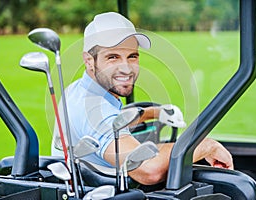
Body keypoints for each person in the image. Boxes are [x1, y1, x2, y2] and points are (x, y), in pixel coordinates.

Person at [51, 12, 233, 185]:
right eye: (113, 57)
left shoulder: (78, 91)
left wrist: (155, 113)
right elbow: (149, 169)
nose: (126, 68)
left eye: (132, 56)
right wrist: (207, 146)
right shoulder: (92, 109)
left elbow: (115, 122)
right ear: (89, 60)